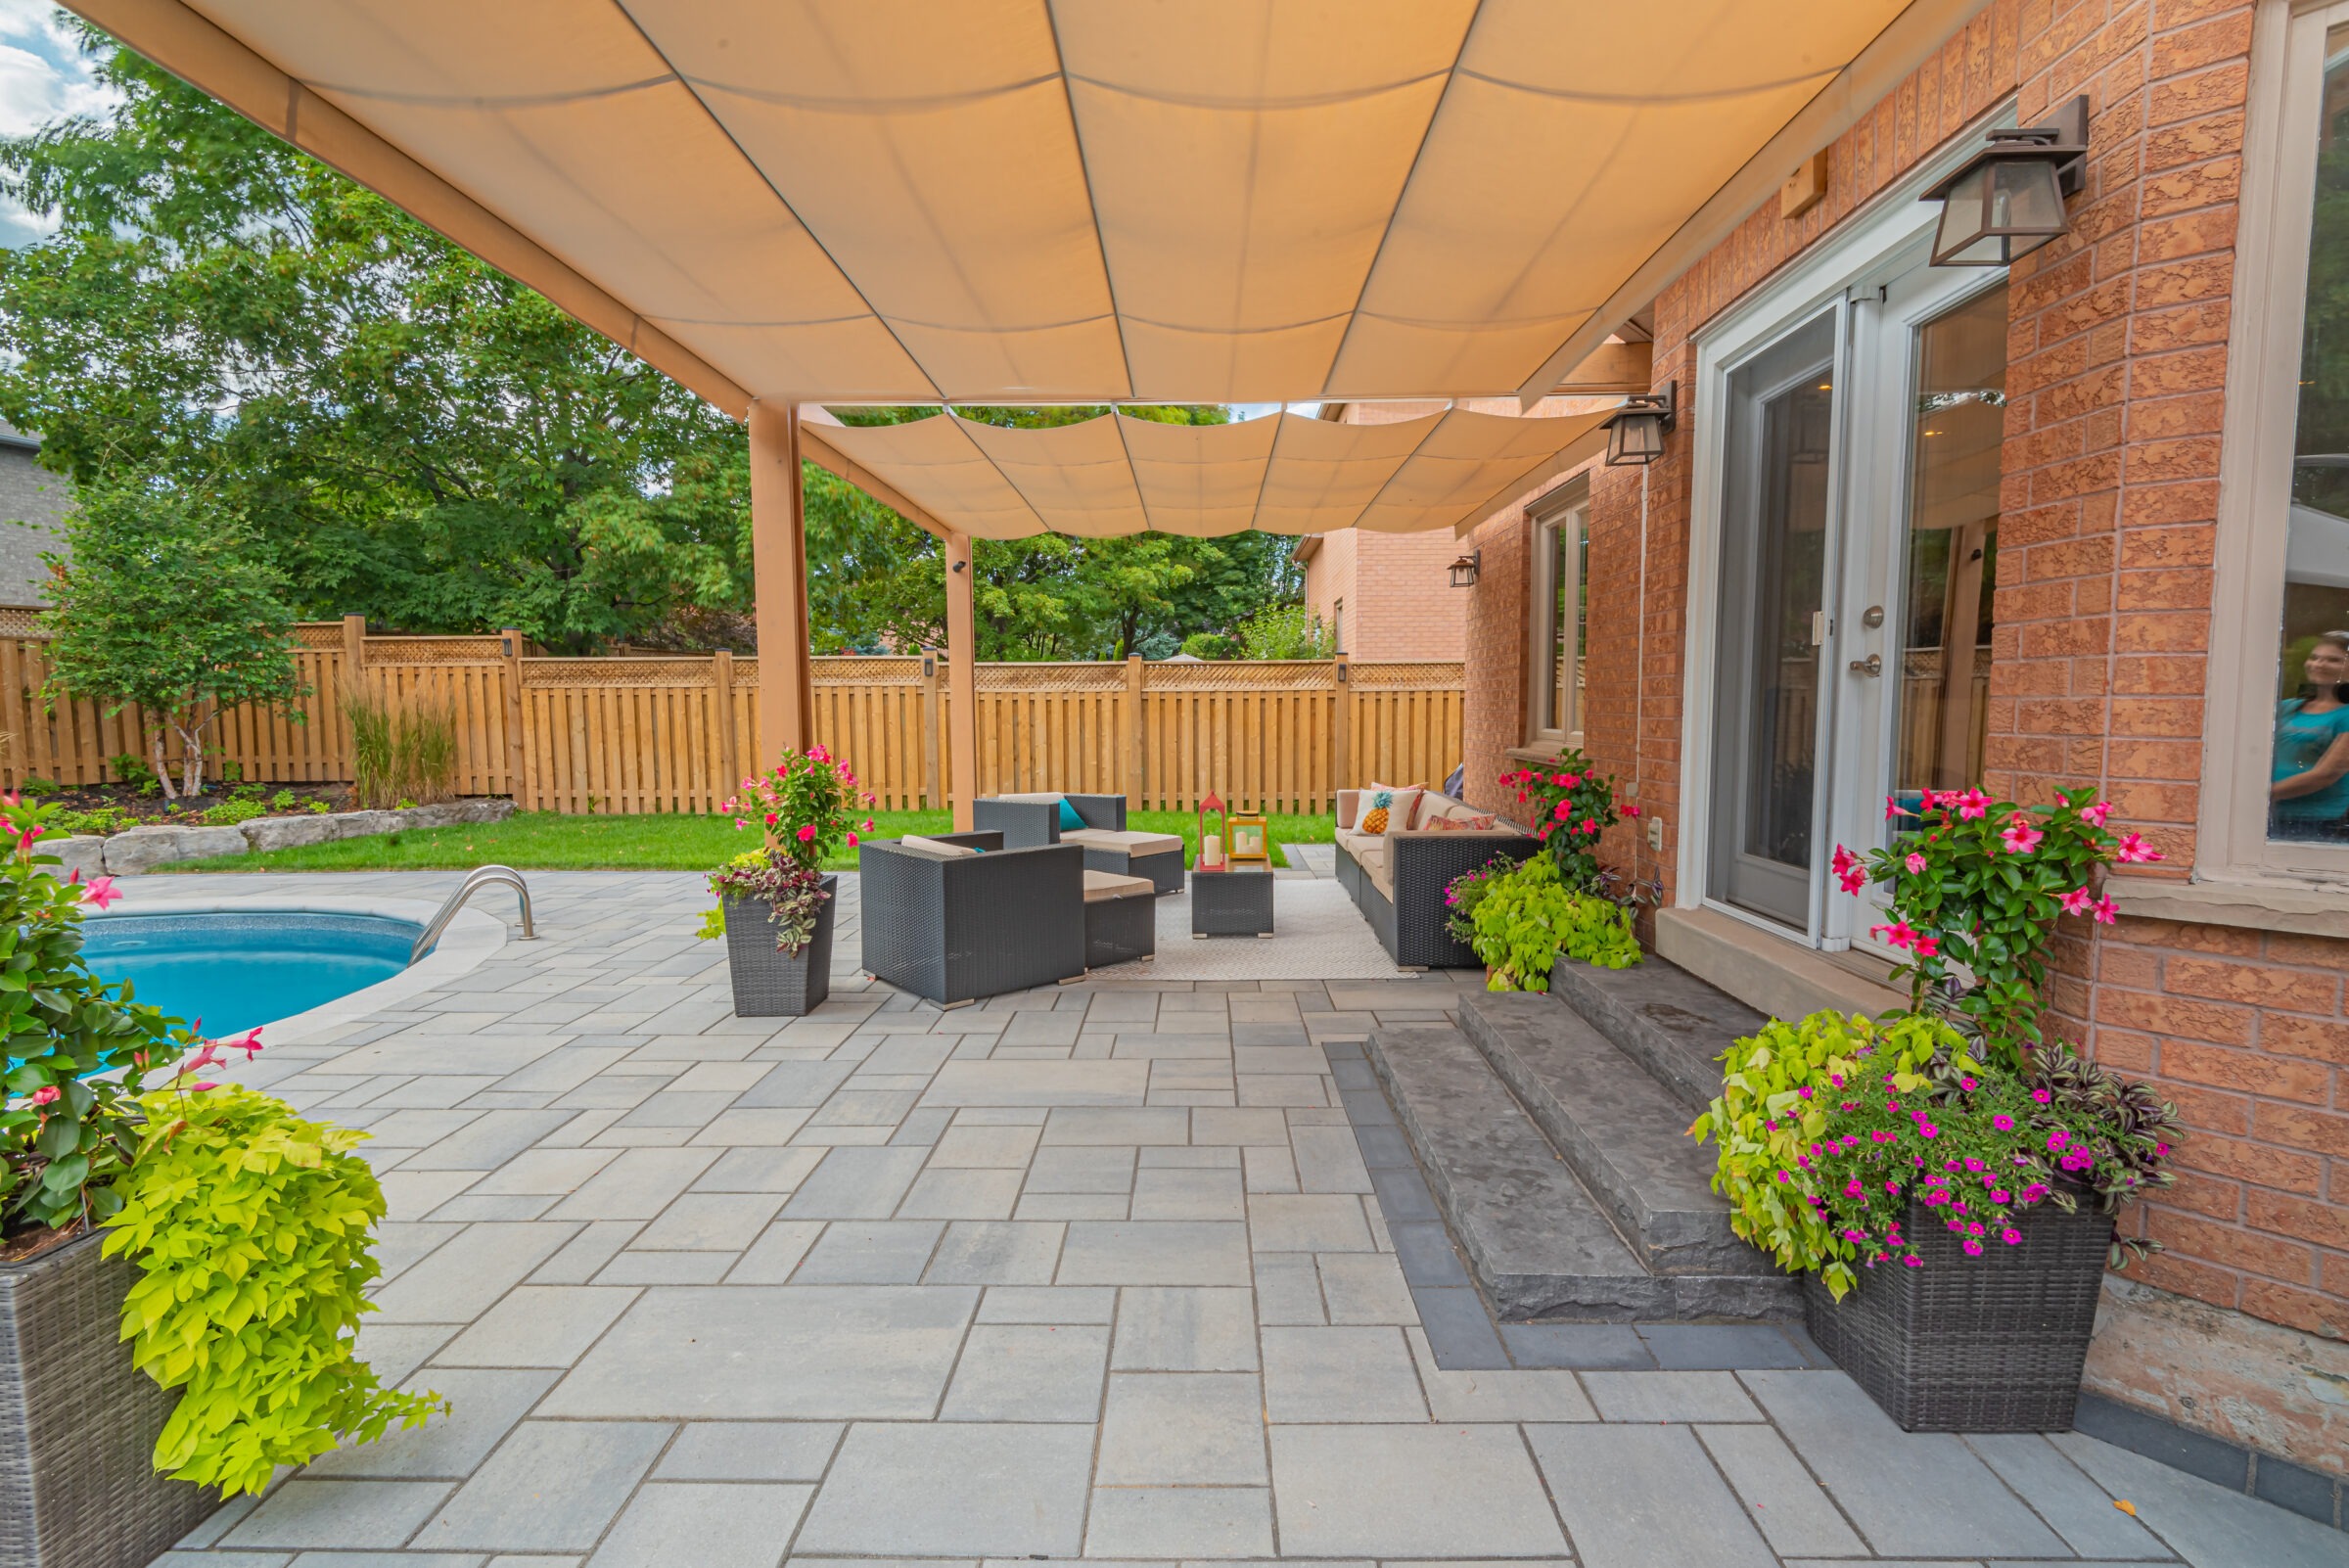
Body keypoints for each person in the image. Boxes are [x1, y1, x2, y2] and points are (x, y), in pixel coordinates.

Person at [2272, 630, 2349, 841]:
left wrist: (2261, 795)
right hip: (2272, 815)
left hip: (2318, 823)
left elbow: (2325, 775)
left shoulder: (2346, 714)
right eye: (2314, 657)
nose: (2319, 664)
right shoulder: (2287, 707)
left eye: (2333, 660)